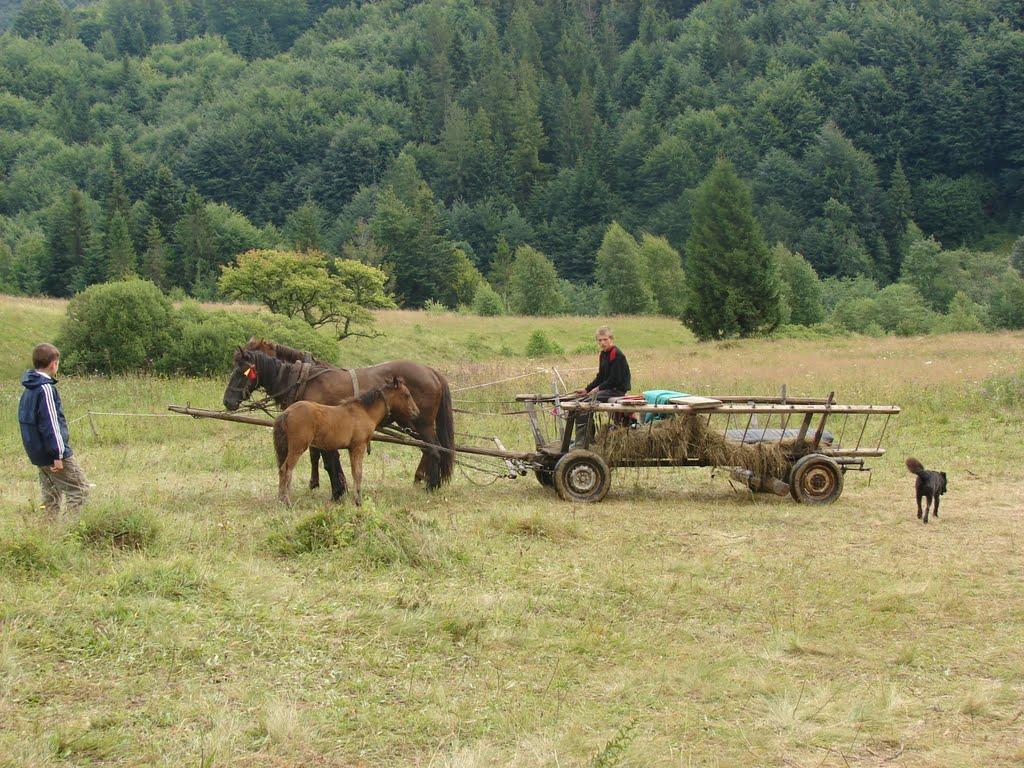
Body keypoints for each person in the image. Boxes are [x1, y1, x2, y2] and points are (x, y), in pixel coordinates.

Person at [18, 343, 90, 518]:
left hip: (38, 453)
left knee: (51, 495)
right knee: (79, 489)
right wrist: (57, 454)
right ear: (53, 364)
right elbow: (51, 424)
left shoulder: (29, 389)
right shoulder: (45, 389)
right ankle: (73, 532)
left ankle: (48, 532)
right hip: (52, 453)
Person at [571, 326, 631, 448]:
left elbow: (615, 379)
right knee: (581, 401)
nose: (602, 343)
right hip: (608, 389)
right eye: (600, 340)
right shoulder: (603, 354)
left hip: (617, 390)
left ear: (611, 339)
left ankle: (585, 443)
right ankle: (585, 439)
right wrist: (586, 389)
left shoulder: (617, 354)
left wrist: (597, 389)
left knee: (587, 403)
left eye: (605, 339)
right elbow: (601, 376)